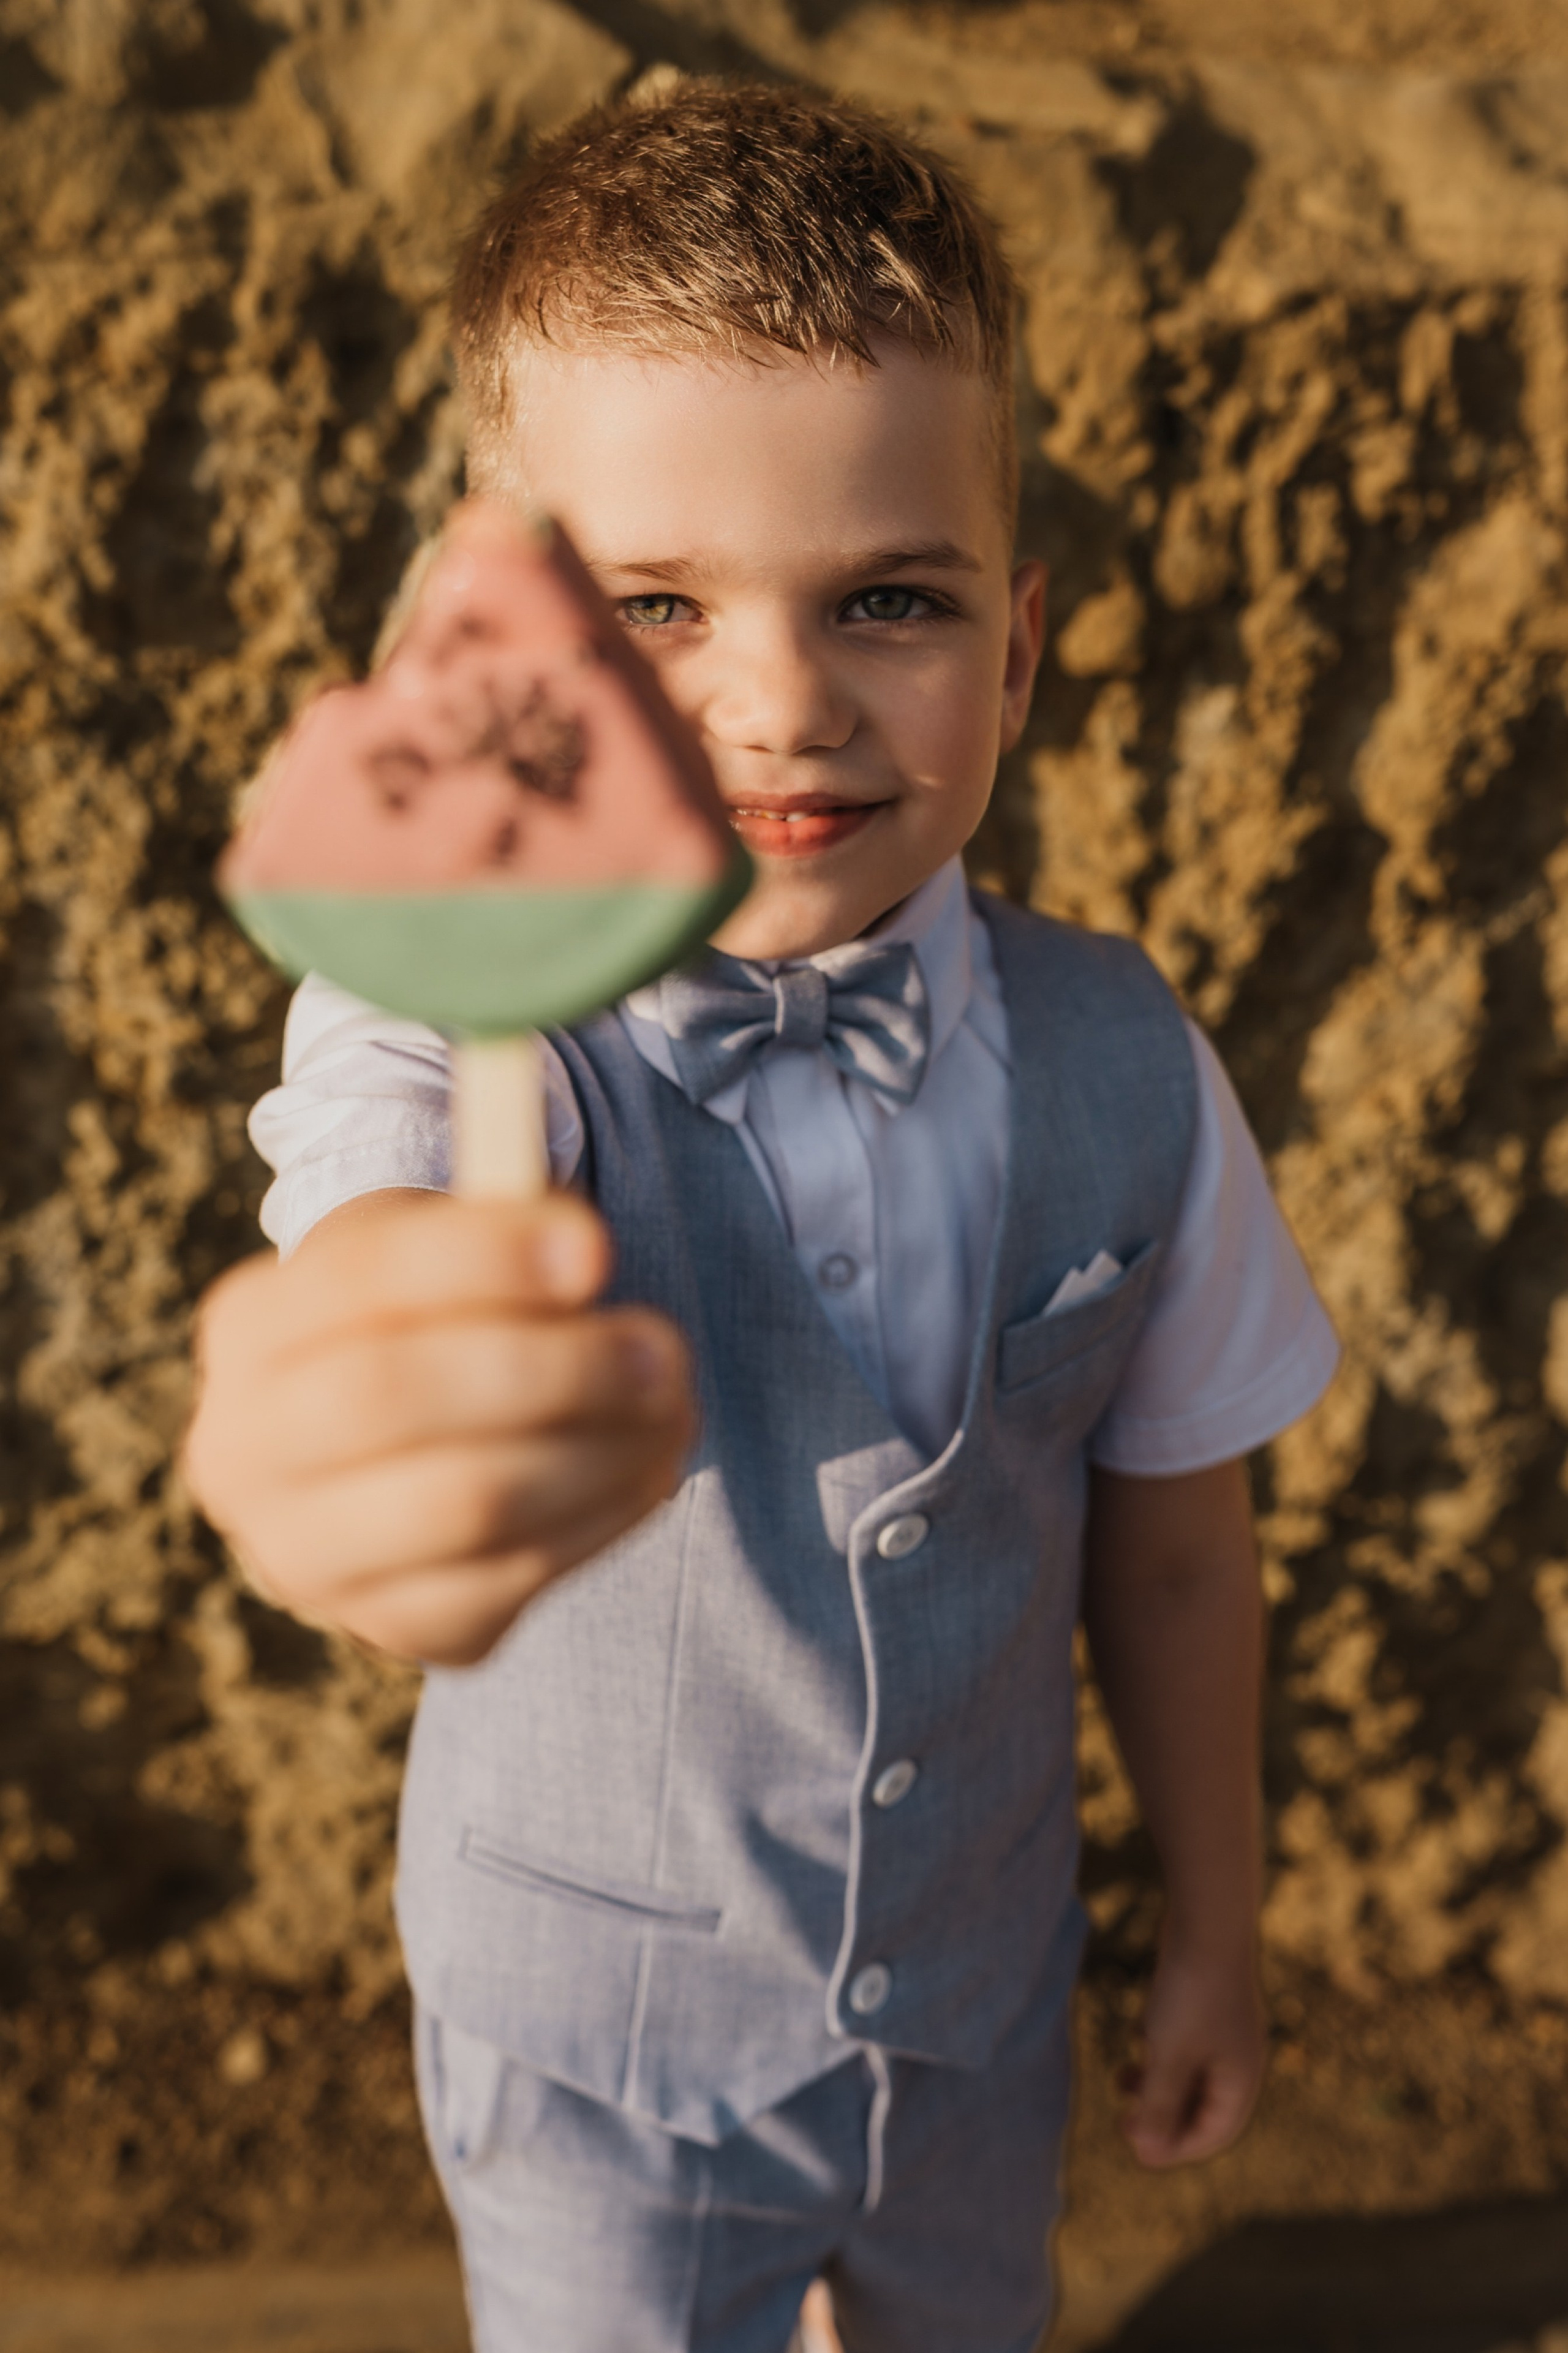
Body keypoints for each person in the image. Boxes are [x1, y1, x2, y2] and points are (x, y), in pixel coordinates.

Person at [184, 81, 1339, 2353]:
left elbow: (1182, 1545)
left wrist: (1217, 1921)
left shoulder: (1130, 1058)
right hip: (595, 2049)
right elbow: (379, 1242)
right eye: (656, 607)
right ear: (511, 662)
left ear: (1012, 655)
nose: (781, 698)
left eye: (886, 599)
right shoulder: (451, 1019)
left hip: (976, 2028)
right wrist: (363, 1410)